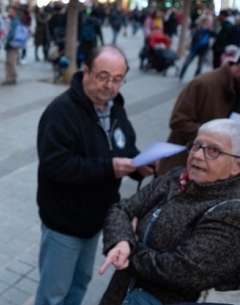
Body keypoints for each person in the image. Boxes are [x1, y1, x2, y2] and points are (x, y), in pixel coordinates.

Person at [35, 46, 153, 305]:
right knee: (53, 294)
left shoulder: (114, 107)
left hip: (97, 219)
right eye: (103, 76)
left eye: (117, 79)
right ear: (85, 71)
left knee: (79, 284)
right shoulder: (61, 111)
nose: (110, 85)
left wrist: (139, 164)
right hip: (64, 220)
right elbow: (55, 165)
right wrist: (108, 167)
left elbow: (125, 146)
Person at [98, 118, 240, 305]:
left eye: (213, 150)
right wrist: (122, 240)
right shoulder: (176, 177)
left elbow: (182, 271)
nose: (197, 155)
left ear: (236, 166)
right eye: (197, 145)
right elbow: (121, 209)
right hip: (121, 293)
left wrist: (129, 249)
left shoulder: (232, 210)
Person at [159, 51, 240, 174]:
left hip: (216, 175)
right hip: (182, 169)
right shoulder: (203, 83)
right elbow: (178, 120)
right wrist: (215, 140)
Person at [2, 7, 23, 86]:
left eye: (10, 12)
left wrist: (8, 39)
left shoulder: (15, 22)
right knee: (9, 62)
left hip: (13, 44)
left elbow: (12, 33)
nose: (9, 13)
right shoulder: (12, 21)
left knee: (11, 61)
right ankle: (9, 77)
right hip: (11, 44)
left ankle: (12, 78)